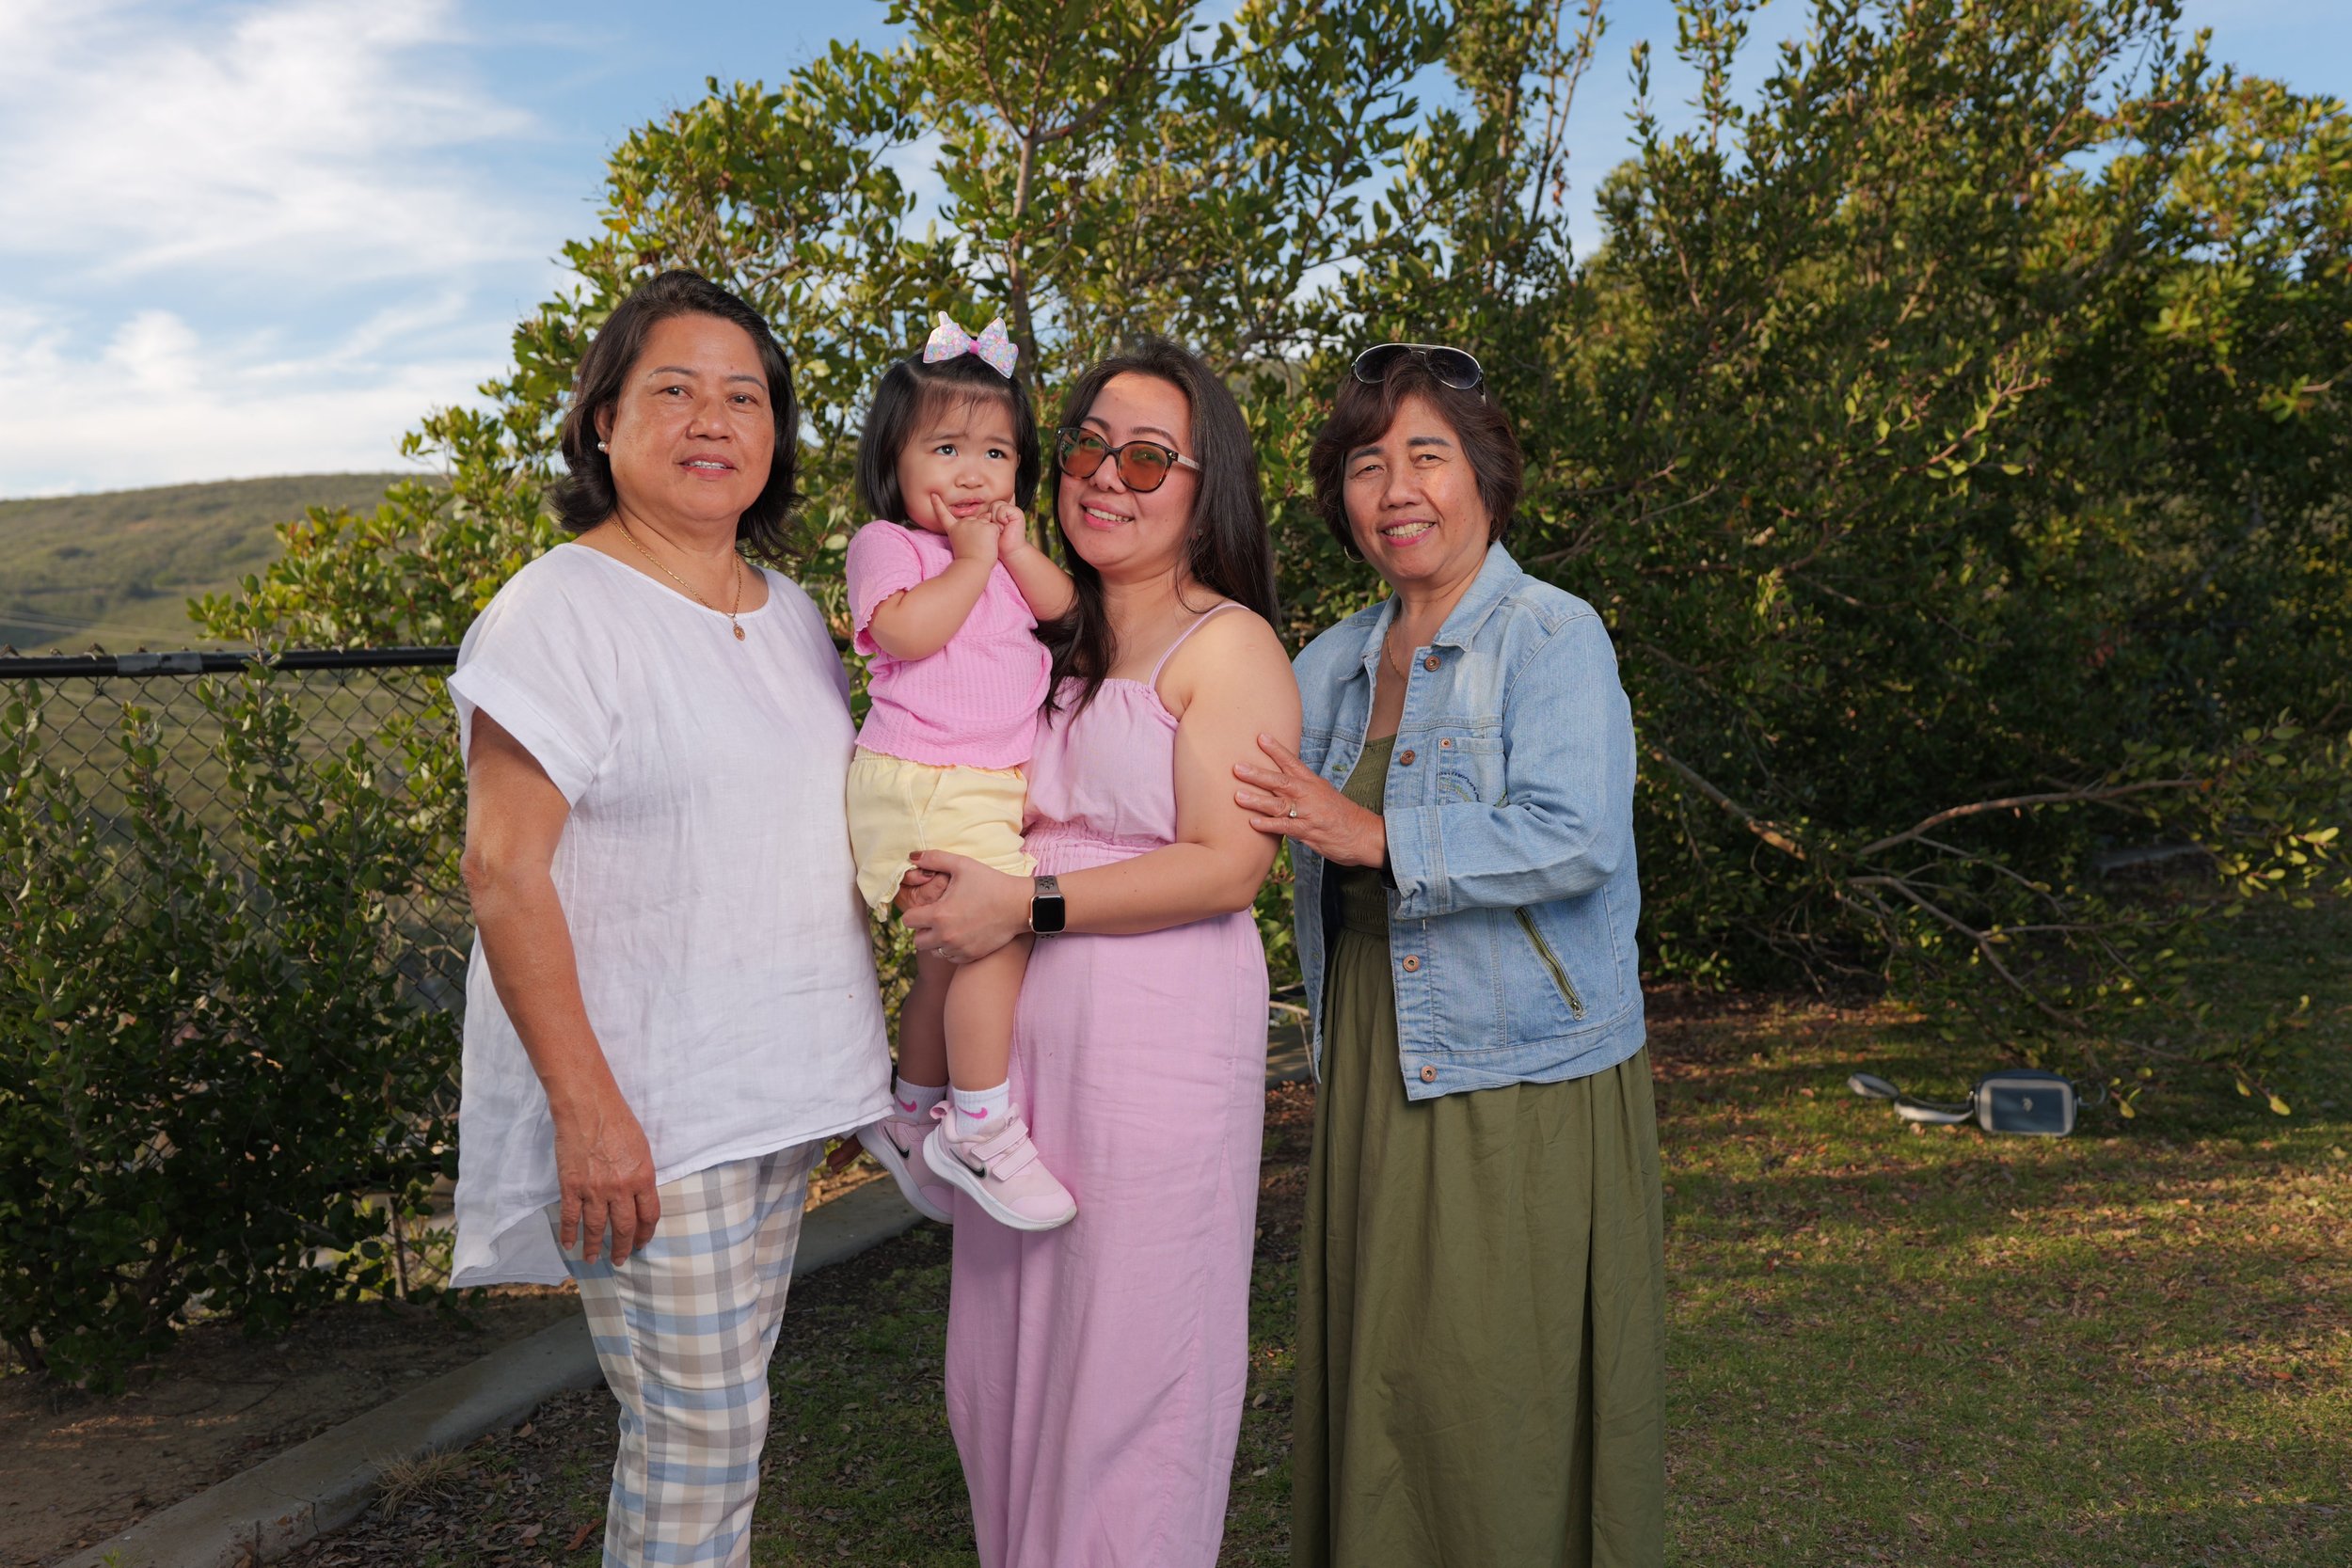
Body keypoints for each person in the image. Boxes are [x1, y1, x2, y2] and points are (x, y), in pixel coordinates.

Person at [449, 269, 892, 1567]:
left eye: (743, 395)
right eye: (675, 389)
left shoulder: (794, 612)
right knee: (699, 1436)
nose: (714, 419)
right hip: (651, 1111)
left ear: (775, 430)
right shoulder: (561, 611)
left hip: (774, 1090)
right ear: (603, 420)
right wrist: (589, 1112)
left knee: (718, 1423)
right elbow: (502, 870)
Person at [1232, 343, 1665, 1567]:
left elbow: (1575, 834)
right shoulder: (1334, 659)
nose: (1397, 487)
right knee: (1394, 1368)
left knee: (1492, 1381)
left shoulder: (1550, 634)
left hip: (1520, 1068)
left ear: (1483, 475)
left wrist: (1373, 832)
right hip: (1377, 1042)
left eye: (1428, 453)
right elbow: (1206, 740)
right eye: (1368, 464)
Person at [897, 337, 1301, 1567]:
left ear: (1205, 484)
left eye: (1148, 455)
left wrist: (1028, 904)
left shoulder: (1225, 647)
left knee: (1131, 1379)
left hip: (1155, 1057)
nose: (1107, 475)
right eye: (1085, 444)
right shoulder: (1036, 639)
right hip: (1014, 1077)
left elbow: (1228, 864)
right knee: (1007, 1374)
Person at [844, 313, 1078, 1232]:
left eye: (996, 451)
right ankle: (978, 1124)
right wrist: (974, 559)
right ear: (895, 463)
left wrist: (1014, 549)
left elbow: (1065, 617)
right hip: (921, 777)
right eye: (945, 448)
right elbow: (906, 632)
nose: (973, 472)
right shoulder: (890, 545)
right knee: (996, 933)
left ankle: (910, 1114)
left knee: (946, 962)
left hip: (973, 781)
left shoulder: (1003, 557)